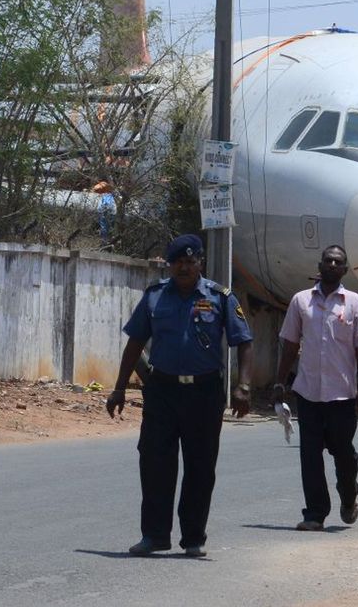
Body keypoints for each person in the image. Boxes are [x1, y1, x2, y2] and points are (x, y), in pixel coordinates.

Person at [106, 233, 252, 557]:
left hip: (204, 392)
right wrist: (119, 388)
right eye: (178, 262)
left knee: (200, 467)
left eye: (191, 261)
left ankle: (193, 538)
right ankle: (154, 536)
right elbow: (134, 343)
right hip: (162, 391)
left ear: (200, 262)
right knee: (155, 463)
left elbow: (243, 340)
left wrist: (243, 385)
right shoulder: (155, 296)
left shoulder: (220, 296)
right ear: (170, 264)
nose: (185, 267)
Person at [273, 245, 358, 532]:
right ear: (319, 265)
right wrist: (280, 382)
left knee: (343, 454)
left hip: (342, 394)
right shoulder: (301, 301)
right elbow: (290, 344)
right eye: (328, 260)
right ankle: (315, 514)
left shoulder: (354, 303)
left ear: (345, 269)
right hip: (308, 392)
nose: (332, 264)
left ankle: (348, 494)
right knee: (309, 455)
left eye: (338, 262)